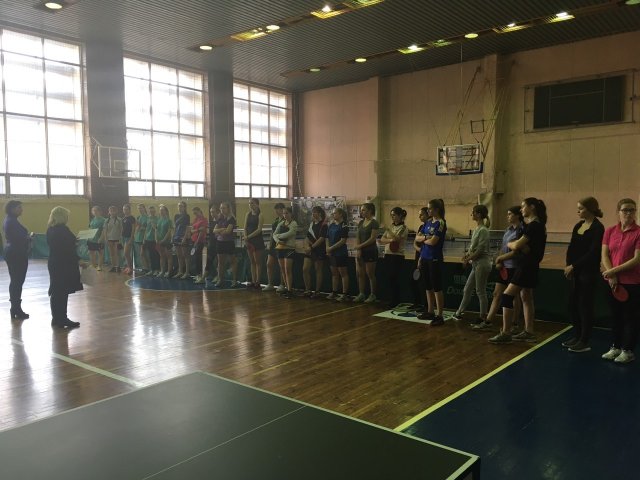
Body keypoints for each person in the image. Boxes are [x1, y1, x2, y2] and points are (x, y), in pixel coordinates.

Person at [489, 197, 547, 344]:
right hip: (530, 265)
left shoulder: (534, 226)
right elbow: (526, 248)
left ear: (532, 207)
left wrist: (511, 243)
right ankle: (529, 331)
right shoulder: (535, 226)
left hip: (526, 266)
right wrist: (519, 245)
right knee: (526, 297)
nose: (521, 210)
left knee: (507, 296)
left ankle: (506, 332)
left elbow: (516, 246)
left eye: (523, 206)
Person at [562, 197, 605, 353]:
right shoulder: (578, 225)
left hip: (588, 272)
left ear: (590, 209)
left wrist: (574, 266)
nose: (578, 211)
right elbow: (571, 248)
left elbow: (593, 253)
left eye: (581, 208)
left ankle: (584, 340)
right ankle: (577, 335)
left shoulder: (598, 228)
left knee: (584, 306)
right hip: (575, 272)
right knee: (573, 304)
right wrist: (569, 266)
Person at [601, 198, 640, 364]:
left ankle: (628, 350)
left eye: (632, 210)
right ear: (618, 212)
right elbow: (604, 254)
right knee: (615, 316)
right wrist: (612, 276)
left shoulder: (639, 232)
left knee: (630, 318)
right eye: (625, 210)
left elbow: (636, 259)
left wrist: (612, 272)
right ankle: (615, 347)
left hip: (632, 283)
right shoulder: (610, 231)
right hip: (613, 282)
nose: (629, 213)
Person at [472, 206, 524, 331]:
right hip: (504, 267)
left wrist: (501, 258)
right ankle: (488, 322)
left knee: (515, 296)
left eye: (510, 214)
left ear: (517, 215)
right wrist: (500, 260)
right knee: (496, 294)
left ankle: (515, 323)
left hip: (514, 267)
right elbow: (503, 247)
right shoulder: (508, 230)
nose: (508, 216)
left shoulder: (521, 230)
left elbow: (517, 252)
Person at [452, 205, 492, 323]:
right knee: (467, 289)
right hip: (476, 265)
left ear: (478, 214)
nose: (472, 215)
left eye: (473, 212)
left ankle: (483, 317)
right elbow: (473, 248)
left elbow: (480, 250)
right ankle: (459, 312)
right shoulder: (477, 229)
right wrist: (467, 255)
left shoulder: (483, 230)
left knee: (480, 291)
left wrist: (467, 259)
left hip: (482, 264)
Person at [46, 206, 82, 329]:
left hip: (54, 262)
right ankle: (62, 318)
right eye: (66, 216)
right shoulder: (63, 229)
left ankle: (56, 318)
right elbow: (67, 249)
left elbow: (60, 245)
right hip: (64, 264)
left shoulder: (51, 229)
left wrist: (72, 242)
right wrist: (79, 259)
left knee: (56, 291)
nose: (68, 218)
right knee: (62, 292)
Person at [416, 199, 447, 326]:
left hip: (434, 258)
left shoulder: (441, 223)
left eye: (430, 208)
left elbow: (434, 241)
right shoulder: (428, 222)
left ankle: (440, 315)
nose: (428, 210)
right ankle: (430, 311)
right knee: (427, 286)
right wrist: (425, 238)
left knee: (436, 287)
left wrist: (425, 239)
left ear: (436, 209)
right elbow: (417, 238)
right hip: (424, 257)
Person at [3, 200, 32, 320]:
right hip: (16, 253)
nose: (21, 209)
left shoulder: (10, 220)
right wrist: (28, 238)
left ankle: (15, 308)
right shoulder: (12, 221)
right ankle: (15, 308)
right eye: (19, 207)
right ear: (12, 209)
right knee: (17, 281)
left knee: (16, 281)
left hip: (13, 252)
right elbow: (18, 238)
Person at [379, 207, 408, 308]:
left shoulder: (403, 228)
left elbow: (397, 239)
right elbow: (382, 239)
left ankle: (396, 300)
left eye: (394, 215)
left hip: (397, 256)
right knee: (388, 278)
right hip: (388, 254)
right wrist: (390, 240)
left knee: (394, 278)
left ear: (400, 216)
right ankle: (390, 299)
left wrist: (387, 230)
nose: (392, 217)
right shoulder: (391, 226)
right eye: (391, 215)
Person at [353, 203, 380, 303]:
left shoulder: (374, 223)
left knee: (370, 274)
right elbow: (358, 236)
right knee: (360, 274)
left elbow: (372, 239)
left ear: (370, 211)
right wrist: (359, 249)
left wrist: (360, 246)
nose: (361, 212)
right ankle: (361, 294)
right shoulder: (361, 223)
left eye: (363, 210)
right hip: (361, 252)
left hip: (370, 251)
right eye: (361, 210)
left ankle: (373, 295)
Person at [302, 206, 328, 298]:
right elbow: (307, 237)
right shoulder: (311, 224)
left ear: (319, 213)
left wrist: (311, 247)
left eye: (315, 212)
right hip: (310, 250)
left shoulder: (324, 225)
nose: (313, 214)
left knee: (318, 270)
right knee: (305, 269)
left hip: (319, 250)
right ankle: (308, 290)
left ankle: (317, 291)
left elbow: (321, 239)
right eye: (312, 212)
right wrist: (307, 246)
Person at [273, 206, 298, 299]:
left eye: (287, 213)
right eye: (284, 213)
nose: (285, 215)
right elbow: (274, 234)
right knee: (283, 269)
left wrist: (279, 236)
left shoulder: (294, 223)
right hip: (280, 248)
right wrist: (278, 241)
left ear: (291, 214)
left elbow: (290, 233)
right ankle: (287, 288)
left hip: (289, 248)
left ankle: (290, 290)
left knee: (288, 269)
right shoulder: (281, 223)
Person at [326, 208, 350, 301]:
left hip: (340, 253)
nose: (333, 215)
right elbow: (327, 237)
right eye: (333, 213)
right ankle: (334, 292)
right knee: (334, 273)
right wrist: (327, 248)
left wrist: (331, 248)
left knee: (343, 273)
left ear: (340, 214)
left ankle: (344, 294)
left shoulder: (344, 226)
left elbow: (343, 241)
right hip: (332, 253)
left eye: (335, 213)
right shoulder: (331, 225)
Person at [214, 201, 239, 288]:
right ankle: (220, 279)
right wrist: (222, 229)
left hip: (229, 242)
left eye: (224, 208)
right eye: (221, 208)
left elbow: (228, 231)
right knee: (220, 262)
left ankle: (234, 280)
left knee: (232, 261)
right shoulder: (220, 218)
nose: (222, 210)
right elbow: (214, 230)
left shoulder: (231, 219)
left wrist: (219, 231)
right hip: (220, 242)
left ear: (228, 208)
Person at [263, 203, 286, 292]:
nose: (277, 211)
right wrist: (270, 243)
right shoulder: (276, 220)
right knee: (269, 264)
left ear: (283, 209)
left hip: (281, 245)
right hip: (273, 246)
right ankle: (270, 284)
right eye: (276, 209)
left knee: (281, 266)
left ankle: (282, 284)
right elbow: (272, 233)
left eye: (279, 209)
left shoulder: (286, 220)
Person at [244, 199, 266, 289]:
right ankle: (253, 281)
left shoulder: (260, 215)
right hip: (249, 241)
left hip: (257, 241)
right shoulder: (247, 214)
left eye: (252, 203)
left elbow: (259, 229)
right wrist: (246, 237)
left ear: (257, 204)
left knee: (258, 262)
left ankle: (258, 281)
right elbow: (245, 227)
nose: (250, 205)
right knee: (252, 262)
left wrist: (248, 236)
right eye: (249, 203)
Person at [173, 201, 191, 279]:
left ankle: (187, 272)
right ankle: (180, 271)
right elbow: (175, 227)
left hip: (183, 237)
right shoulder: (176, 216)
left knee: (185, 255)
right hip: (176, 236)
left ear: (184, 207)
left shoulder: (187, 216)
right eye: (179, 206)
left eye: (181, 206)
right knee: (179, 255)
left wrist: (184, 237)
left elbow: (187, 227)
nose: (180, 207)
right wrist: (173, 236)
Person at [190, 206, 208, 284]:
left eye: (196, 212)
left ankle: (200, 275)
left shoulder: (204, 220)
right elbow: (191, 230)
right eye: (194, 213)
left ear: (199, 211)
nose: (195, 214)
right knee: (195, 259)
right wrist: (197, 230)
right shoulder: (195, 219)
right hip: (193, 240)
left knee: (198, 259)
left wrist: (197, 242)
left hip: (199, 241)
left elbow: (202, 232)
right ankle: (197, 274)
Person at [155, 204, 174, 278]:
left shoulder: (169, 220)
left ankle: (169, 272)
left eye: (163, 210)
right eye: (160, 210)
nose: (161, 212)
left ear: (166, 211)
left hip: (167, 241)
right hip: (159, 241)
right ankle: (162, 271)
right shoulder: (159, 220)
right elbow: (156, 230)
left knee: (169, 256)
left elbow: (169, 231)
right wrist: (156, 239)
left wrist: (163, 240)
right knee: (162, 256)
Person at [104, 205, 123, 272]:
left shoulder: (119, 219)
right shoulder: (107, 220)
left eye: (114, 211)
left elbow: (121, 229)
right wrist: (106, 238)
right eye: (111, 211)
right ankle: (113, 266)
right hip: (109, 238)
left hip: (117, 238)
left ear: (116, 211)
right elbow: (105, 230)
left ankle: (118, 266)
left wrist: (120, 238)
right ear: (109, 212)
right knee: (111, 253)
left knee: (117, 253)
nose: (112, 212)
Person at [87, 205, 105, 271]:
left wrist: (101, 238)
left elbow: (104, 230)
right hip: (91, 239)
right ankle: (93, 265)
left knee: (100, 253)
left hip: (99, 239)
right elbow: (90, 228)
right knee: (91, 252)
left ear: (99, 211)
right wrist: (88, 236)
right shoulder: (92, 219)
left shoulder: (103, 220)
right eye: (93, 211)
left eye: (96, 210)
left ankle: (99, 266)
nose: (94, 212)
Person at [205, 204, 220, 283]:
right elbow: (210, 233)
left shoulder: (220, 221)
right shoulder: (211, 222)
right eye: (211, 212)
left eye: (213, 212)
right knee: (209, 260)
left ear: (217, 212)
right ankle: (205, 275)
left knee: (218, 261)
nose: (212, 214)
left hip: (218, 243)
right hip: (211, 243)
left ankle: (218, 276)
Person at [144, 206, 160, 275]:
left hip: (154, 239)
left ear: (155, 211)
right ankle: (152, 269)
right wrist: (144, 238)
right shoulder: (148, 218)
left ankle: (157, 269)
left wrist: (154, 226)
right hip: (148, 239)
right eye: (150, 211)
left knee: (156, 255)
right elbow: (146, 229)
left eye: (153, 211)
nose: (151, 212)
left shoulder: (158, 218)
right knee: (150, 255)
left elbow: (157, 228)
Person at [121, 204, 136, 275]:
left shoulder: (132, 218)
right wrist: (121, 237)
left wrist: (131, 238)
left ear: (129, 210)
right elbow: (122, 228)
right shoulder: (123, 218)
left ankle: (130, 268)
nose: (125, 211)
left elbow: (133, 229)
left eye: (126, 209)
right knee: (126, 254)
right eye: (124, 209)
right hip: (124, 237)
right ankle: (128, 267)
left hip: (129, 237)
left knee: (126, 253)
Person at [134, 203, 148, 274]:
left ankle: (147, 268)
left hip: (145, 237)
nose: (140, 209)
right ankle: (144, 267)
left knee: (143, 253)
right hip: (138, 237)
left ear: (144, 208)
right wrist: (137, 230)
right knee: (141, 254)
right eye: (138, 208)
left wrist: (141, 227)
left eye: (141, 208)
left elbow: (148, 228)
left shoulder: (147, 217)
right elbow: (137, 228)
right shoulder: (138, 217)